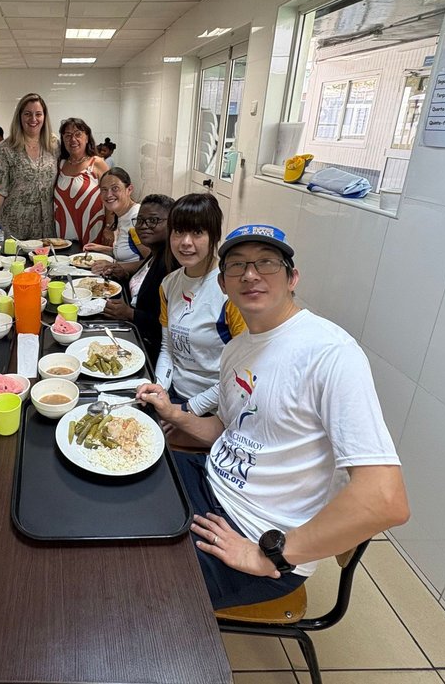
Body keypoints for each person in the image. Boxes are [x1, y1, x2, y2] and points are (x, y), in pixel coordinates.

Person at [136, 224, 409, 608]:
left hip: (257, 535)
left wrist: (269, 555)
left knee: (135, 583)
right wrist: (174, 414)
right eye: (237, 265)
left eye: (266, 263)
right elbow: (226, 430)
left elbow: (385, 499)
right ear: (223, 284)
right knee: (120, 493)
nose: (250, 275)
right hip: (210, 481)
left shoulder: (331, 353)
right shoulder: (238, 349)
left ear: (292, 278)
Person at [153, 194, 245, 417]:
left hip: (216, 409)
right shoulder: (168, 284)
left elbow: (242, 372)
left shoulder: (230, 291)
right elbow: (168, 349)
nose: (185, 242)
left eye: (197, 232)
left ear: (214, 236)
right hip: (175, 395)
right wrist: (159, 391)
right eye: (178, 231)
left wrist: (187, 410)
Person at [101, 194, 174, 363]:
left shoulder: (169, 264)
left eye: (153, 220)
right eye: (140, 221)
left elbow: (166, 325)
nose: (143, 226)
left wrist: (130, 313)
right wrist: (125, 275)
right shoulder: (155, 254)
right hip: (131, 329)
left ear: (171, 223)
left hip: (147, 349)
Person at [0, 94, 58, 242]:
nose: (33, 119)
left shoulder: (54, 145)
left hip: (46, 225)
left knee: (45, 257)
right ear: (19, 116)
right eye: (27, 114)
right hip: (13, 223)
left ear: (44, 117)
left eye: (38, 114)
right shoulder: (6, 148)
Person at [85, 168, 150, 275]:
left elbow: (151, 262)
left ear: (129, 189)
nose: (108, 195)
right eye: (104, 190)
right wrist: (103, 249)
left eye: (115, 188)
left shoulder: (136, 219)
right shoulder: (121, 214)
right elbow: (128, 252)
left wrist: (114, 267)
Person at [53, 117, 108, 245]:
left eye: (78, 134)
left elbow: (110, 197)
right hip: (64, 234)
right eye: (68, 135)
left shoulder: (97, 163)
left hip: (94, 231)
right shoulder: (60, 164)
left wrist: (110, 227)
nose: (73, 139)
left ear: (87, 137)